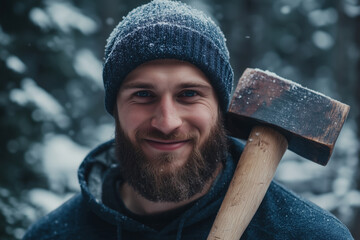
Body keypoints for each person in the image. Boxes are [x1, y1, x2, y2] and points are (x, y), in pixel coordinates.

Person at [23, 0, 354, 239]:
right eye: (142, 95)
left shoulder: (308, 235)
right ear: (114, 107)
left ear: (222, 108)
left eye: (189, 95)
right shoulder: (52, 234)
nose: (167, 122)